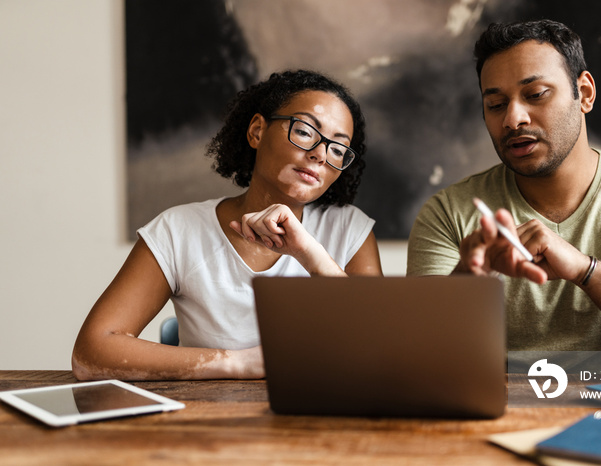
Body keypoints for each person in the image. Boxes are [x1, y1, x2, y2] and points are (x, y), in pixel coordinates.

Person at [407, 20, 601, 371]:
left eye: (535, 95)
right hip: (502, 415)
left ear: (585, 93)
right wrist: (468, 285)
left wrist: (585, 271)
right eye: (496, 104)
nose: (513, 119)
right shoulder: (447, 213)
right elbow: (419, 357)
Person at [73, 70, 383, 381]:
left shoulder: (348, 230)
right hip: (209, 421)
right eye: (304, 132)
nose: (319, 154)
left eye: (338, 150)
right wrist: (238, 363)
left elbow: (381, 352)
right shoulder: (178, 230)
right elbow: (91, 353)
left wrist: (310, 253)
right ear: (257, 131)